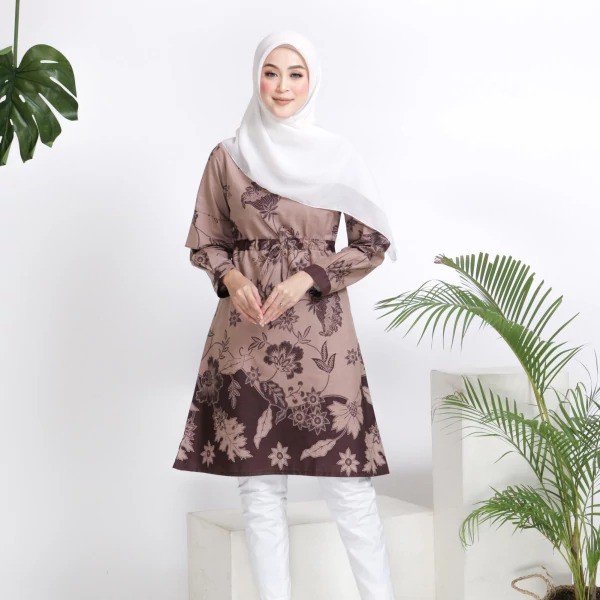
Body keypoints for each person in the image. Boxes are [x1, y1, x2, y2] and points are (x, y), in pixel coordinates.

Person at [173, 29, 398, 600]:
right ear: (256, 77)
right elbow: (206, 239)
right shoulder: (227, 156)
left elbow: (372, 243)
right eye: (271, 72)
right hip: (247, 334)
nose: (281, 86)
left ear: (312, 80)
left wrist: (308, 277)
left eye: (295, 74)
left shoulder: (339, 156)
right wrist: (231, 278)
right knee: (259, 490)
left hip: (322, 340)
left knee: (349, 486)